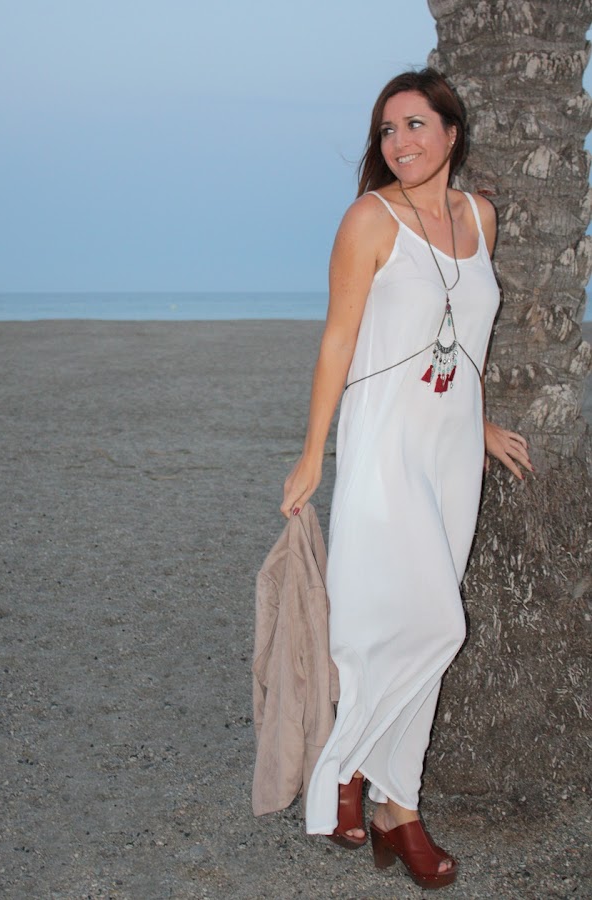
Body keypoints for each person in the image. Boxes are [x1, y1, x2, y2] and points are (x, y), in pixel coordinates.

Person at [280, 68, 532, 890]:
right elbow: (339, 339)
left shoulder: (480, 217)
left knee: (418, 624)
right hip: (385, 441)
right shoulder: (369, 219)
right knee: (426, 625)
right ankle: (353, 772)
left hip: (451, 451)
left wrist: (478, 420)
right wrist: (312, 452)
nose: (400, 142)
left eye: (416, 124)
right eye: (388, 130)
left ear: (452, 132)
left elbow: (466, 333)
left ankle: (395, 805)